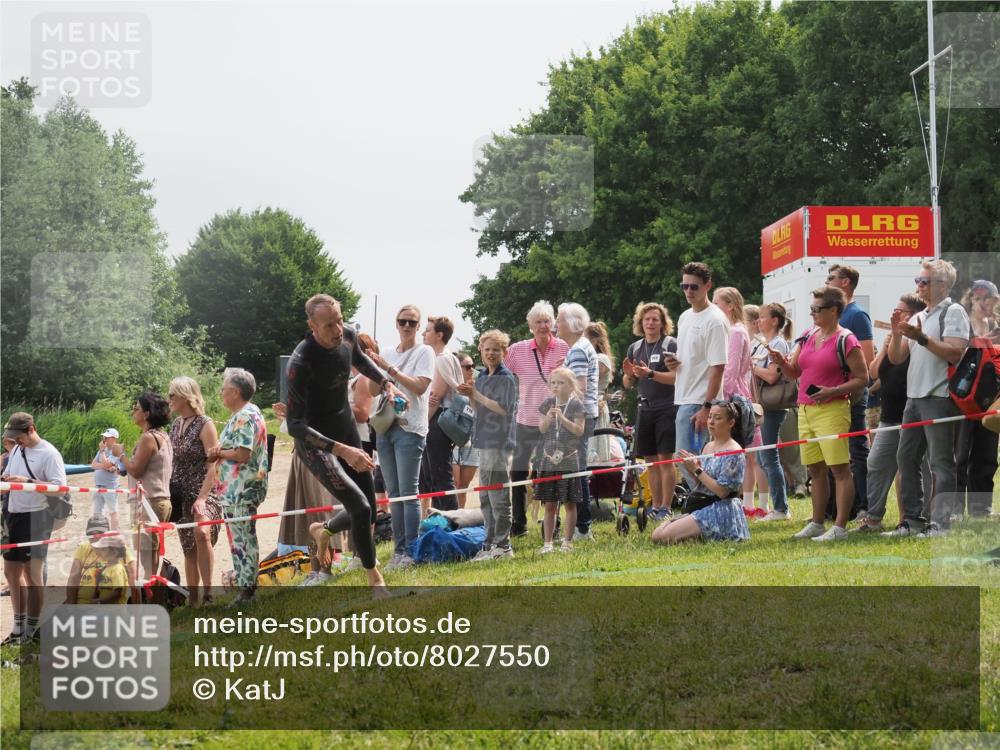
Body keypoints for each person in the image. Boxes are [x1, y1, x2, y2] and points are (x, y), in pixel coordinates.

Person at [284, 295, 395, 594]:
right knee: (358, 507)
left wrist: (386, 382)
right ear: (312, 325)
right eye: (329, 325)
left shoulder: (346, 336)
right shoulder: (300, 362)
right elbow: (294, 425)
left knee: (369, 511)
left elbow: (360, 359)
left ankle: (325, 530)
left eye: (340, 320)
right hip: (314, 441)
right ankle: (376, 580)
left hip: (344, 426)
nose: (337, 330)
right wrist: (342, 449)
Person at [767, 287, 868, 541]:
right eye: (811, 309)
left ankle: (841, 527)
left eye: (816, 309)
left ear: (834, 310)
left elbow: (863, 378)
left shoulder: (847, 339)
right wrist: (780, 361)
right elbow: (793, 373)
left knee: (840, 470)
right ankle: (817, 522)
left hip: (832, 410)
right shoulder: (808, 335)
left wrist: (832, 390)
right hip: (805, 409)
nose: (811, 313)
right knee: (815, 470)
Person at [885, 260, 971, 536]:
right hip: (913, 398)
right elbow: (897, 358)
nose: (919, 286)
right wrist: (897, 333)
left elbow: (956, 353)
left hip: (939, 396)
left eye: (925, 281)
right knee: (906, 459)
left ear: (943, 285)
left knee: (940, 463)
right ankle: (912, 522)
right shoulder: (919, 316)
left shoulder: (954, 311)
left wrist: (921, 338)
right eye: (917, 281)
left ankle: (941, 524)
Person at [852, 294, 930, 533]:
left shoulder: (918, 341)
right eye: (895, 310)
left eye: (901, 311)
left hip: (915, 412)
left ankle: (918, 518)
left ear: (913, 315)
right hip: (890, 415)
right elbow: (873, 373)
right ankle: (874, 519)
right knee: (876, 463)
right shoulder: (892, 340)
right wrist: (887, 345)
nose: (895, 315)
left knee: (916, 468)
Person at [366, 304, 435, 571]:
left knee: (409, 492)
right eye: (402, 321)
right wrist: (375, 368)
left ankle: (411, 550)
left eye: (412, 322)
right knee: (393, 494)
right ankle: (398, 551)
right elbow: (373, 389)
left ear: (418, 327)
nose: (406, 326)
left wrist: (389, 370)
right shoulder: (385, 353)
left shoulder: (425, 351)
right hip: (385, 427)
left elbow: (420, 386)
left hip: (410, 427)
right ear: (395, 323)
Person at [202, 368, 269, 604]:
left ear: (236, 392)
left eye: (224, 389)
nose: (221, 393)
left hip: (242, 489)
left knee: (242, 540)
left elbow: (242, 453)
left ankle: (247, 591)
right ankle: (245, 588)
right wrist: (218, 453)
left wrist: (219, 452)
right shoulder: (246, 414)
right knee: (238, 538)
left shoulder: (245, 416)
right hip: (235, 490)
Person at [503, 301, 570, 537]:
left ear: (553, 323)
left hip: (554, 421)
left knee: (550, 471)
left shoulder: (563, 347)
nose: (543, 326)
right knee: (519, 472)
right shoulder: (518, 350)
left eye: (547, 321)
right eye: (538, 322)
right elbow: (500, 369)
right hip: (524, 419)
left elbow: (573, 379)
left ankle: (552, 522)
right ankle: (518, 523)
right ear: (530, 326)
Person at [1, 412, 67, 645]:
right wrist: (6, 482)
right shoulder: (17, 450)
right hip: (13, 514)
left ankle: (32, 629)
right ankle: (18, 628)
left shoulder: (49, 453)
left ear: (32, 429)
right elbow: (12, 478)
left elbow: (60, 488)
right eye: (12, 438)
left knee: (32, 575)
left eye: (19, 437)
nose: (15, 442)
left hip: (37, 517)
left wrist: (28, 482)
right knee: (11, 573)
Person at [651, 400, 751, 545]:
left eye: (718, 418)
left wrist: (697, 470)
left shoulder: (734, 452)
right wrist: (691, 468)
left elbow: (722, 492)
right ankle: (694, 534)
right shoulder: (708, 447)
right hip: (703, 505)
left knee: (661, 536)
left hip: (721, 510)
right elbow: (701, 484)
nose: (711, 422)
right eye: (710, 417)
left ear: (731, 423)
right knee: (657, 533)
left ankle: (699, 534)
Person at [670, 262, 730, 488]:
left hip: (700, 401)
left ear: (708, 286)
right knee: (686, 460)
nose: (688, 291)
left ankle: (706, 508)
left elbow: (718, 367)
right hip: (683, 396)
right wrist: (674, 362)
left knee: (692, 461)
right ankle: (703, 507)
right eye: (684, 286)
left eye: (694, 287)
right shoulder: (685, 316)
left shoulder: (715, 320)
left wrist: (708, 407)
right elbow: (693, 358)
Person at [460, 330, 518, 561]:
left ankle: (503, 546)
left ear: (504, 352)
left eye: (496, 349)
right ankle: (489, 543)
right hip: (482, 441)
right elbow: (478, 408)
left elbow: (504, 409)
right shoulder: (482, 376)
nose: (491, 353)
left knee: (498, 496)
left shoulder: (506, 377)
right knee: (485, 497)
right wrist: (470, 395)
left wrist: (477, 394)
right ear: (481, 351)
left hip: (498, 442)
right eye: (487, 349)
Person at [825, 264, 874, 518]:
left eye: (830, 278)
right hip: (831, 396)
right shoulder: (833, 315)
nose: (826, 281)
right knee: (835, 451)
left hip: (852, 394)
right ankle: (835, 506)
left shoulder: (856, 315)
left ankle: (864, 505)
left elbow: (866, 358)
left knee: (856, 448)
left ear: (845, 283)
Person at [168, 376, 221, 607]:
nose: (168, 399)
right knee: (188, 547)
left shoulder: (205, 423)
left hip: (204, 491)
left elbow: (214, 464)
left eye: (172, 395)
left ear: (185, 396)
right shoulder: (175, 425)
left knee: (202, 533)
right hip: (180, 494)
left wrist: (201, 498)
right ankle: (193, 600)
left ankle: (208, 594)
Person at [622, 302, 678, 519]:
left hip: (667, 407)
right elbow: (628, 384)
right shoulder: (635, 348)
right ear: (640, 323)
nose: (651, 323)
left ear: (663, 323)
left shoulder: (670, 344)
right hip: (644, 409)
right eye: (647, 319)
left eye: (655, 319)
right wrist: (630, 375)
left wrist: (650, 374)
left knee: (665, 460)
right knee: (650, 462)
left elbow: (676, 378)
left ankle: (666, 506)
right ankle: (655, 506)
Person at [713, 286, 767, 514]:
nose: (713, 308)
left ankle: (748, 504)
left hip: (733, 400)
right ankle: (750, 503)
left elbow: (731, 371)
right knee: (747, 455)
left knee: (743, 454)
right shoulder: (736, 331)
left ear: (730, 306)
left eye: (716, 304)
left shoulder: (735, 332)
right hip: (738, 395)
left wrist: (718, 402)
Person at [111, 393, 173, 579]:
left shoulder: (148, 438)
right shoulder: (162, 435)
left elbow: (137, 471)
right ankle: (154, 594)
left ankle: (151, 596)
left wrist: (120, 455)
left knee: (147, 559)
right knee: (151, 555)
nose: (133, 411)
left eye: (136, 408)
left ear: (146, 414)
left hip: (149, 502)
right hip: (158, 499)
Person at [955, 279, 1000, 517]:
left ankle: (981, 507)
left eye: (987, 298)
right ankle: (955, 509)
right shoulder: (963, 322)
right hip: (964, 396)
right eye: (978, 298)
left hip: (991, 398)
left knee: (987, 455)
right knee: (960, 455)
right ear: (970, 299)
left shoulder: (996, 324)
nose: (983, 303)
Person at [556, 302, 599, 541]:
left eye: (559, 320)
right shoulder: (578, 348)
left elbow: (579, 388)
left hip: (578, 418)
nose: (556, 324)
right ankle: (582, 524)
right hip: (581, 415)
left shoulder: (578, 350)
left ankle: (583, 527)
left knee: (577, 470)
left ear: (572, 325)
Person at [535, 367, 585, 553]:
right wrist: (548, 418)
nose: (556, 386)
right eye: (553, 383)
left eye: (560, 383)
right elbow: (541, 428)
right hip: (549, 460)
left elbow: (579, 431)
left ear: (571, 386)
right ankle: (548, 543)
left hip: (569, 460)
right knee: (549, 503)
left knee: (570, 503)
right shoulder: (548, 404)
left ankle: (567, 542)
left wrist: (562, 418)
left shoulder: (576, 405)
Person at [751, 302, 794, 521]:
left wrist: (750, 366)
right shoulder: (761, 343)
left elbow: (771, 376)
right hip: (760, 406)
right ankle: (778, 507)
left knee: (769, 457)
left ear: (774, 321)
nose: (758, 320)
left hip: (772, 407)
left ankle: (781, 509)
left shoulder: (779, 344)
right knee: (763, 458)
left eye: (762, 316)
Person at [419, 316, 464, 512]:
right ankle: (441, 520)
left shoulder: (442, 358)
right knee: (433, 476)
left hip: (438, 421)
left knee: (440, 476)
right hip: (440, 421)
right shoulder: (445, 357)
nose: (423, 333)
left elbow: (435, 397)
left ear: (439, 335)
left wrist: (422, 423)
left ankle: (450, 522)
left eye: (427, 330)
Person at [65, 516, 135, 606]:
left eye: (99, 534)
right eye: (91, 534)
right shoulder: (83, 548)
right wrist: (71, 606)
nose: (95, 537)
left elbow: (132, 581)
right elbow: (73, 579)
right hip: (83, 604)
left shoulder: (118, 549)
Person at [585, 321, 616, 468]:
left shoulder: (600, 359)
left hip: (595, 406)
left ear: (595, 340)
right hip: (587, 406)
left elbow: (586, 379)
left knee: (594, 451)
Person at [451, 352, 480, 509]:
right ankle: (446, 519)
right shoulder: (449, 386)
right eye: (468, 367)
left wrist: (474, 394)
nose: (471, 370)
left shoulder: (478, 387)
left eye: (473, 367)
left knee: (463, 486)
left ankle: (459, 519)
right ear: (457, 367)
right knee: (453, 483)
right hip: (452, 441)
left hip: (473, 441)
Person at [90, 428, 125, 529]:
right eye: (104, 436)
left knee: (113, 512)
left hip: (110, 486)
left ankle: (114, 535)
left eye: (106, 437)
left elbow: (105, 464)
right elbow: (93, 465)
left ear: (113, 439)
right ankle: (99, 535)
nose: (103, 438)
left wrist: (105, 463)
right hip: (98, 486)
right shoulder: (103, 451)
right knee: (97, 513)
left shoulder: (117, 450)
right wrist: (105, 466)